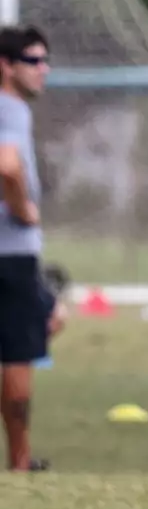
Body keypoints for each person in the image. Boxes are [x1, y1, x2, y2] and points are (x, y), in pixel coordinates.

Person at [0, 25, 52, 472]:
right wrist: (23, 210)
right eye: (34, 61)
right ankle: (18, 460)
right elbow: (7, 164)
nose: (44, 70)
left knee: (47, 319)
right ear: (6, 65)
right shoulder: (10, 106)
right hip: (11, 250)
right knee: (18, 352)